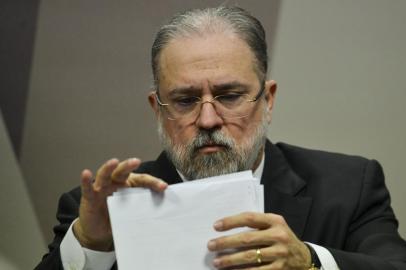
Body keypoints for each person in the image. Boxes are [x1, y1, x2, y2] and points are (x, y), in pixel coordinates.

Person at [35, 6, 406, 270]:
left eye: (229, 96)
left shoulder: (348, 188)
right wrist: (92, 243)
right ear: (158, 108)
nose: (208, 119)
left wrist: (309, 262)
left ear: (268, 99)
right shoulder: (104, 210)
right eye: (185, 100)